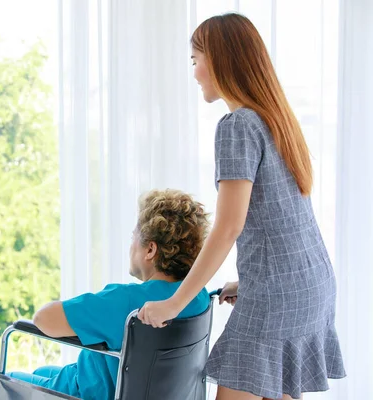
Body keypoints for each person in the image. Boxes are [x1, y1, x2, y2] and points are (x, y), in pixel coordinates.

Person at [138, 13, 346, 400]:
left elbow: (229, 226)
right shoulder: (276, 118)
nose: (195, 72)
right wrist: (249, 283)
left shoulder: (237, 126)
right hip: (310, 284)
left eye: (195, 60)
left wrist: (174, 302)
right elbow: (284, 218)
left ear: (218, 60)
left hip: (279, 294)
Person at [0, 189, 211, 400]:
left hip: (88, 392)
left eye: (134, 236)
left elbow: (43, 319)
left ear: (150, 250)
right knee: (42, 370)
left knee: (4, 384)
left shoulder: (126, 302)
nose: (130, 244)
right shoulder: (197, 297)